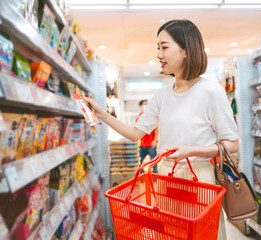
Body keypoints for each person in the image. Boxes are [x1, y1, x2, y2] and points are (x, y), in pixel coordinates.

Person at [84, 19, 238, 240]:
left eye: (164, 47)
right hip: (166, 176)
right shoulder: (162, 95)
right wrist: (102, 114)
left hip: (198, 180)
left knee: (200, 234)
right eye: (158, 48)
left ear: (186, 50)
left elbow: (232, 144)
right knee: (171, 233)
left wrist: (192, 150)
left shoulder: (211, 91)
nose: (158, 54)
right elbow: (135, 133)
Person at [135, 99, 159, 173]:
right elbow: (136, 130)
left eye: (147, 104)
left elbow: (156, 129)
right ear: (140, 106)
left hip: (151, 144)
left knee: (154, 162)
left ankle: (155, 176)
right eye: (145, 104)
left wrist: (155, 140)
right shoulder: (138, 118)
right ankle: (141, 176)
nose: (147, 106)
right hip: (142, 144)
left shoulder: (151, 116)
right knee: (139, 162)